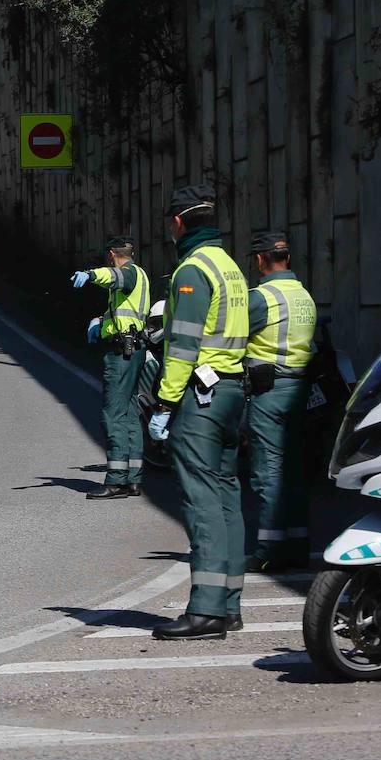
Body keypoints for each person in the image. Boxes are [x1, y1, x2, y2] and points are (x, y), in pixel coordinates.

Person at [146, 184, 250, 641]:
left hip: (199, 399)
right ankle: (227, 606)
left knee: (201, 500)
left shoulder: (191, 271)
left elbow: (183, 345)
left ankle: (206, 612)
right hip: (231, 392)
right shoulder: (229, 266)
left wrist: (165, 402)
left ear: (177, 223)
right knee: (226, 498)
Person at [244, 231, 317, 571]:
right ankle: (298, 544)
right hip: (298, 388)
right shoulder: (304, 295)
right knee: (294, 470)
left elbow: (231, 335)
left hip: (269, 392)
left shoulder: (262, 297)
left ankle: (269, 549)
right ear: (287, 258)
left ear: (260, 260)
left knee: (267, 471)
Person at [71, 235, 151, 498]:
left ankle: (116, 480)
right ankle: (133, 478)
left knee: (113, 414)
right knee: (128, 413)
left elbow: (116, 278)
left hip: (121, 354)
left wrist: (90, 274)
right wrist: (102, 322)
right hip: (133, 349)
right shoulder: (141, 275)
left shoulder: (128, 274)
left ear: (112, 255)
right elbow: (123, 314)